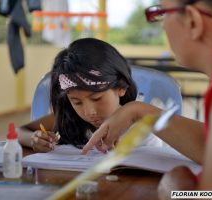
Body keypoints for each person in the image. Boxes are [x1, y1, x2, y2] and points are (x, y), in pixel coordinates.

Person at [82, 0, 212, 197]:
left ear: (193, 21)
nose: (163, 25)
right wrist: (139, 111)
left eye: (162, 13)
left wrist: (176, 188)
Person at [17, 38, 163, 153]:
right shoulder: (69, 118)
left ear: (121, 88)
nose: (89, 112)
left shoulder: (144, 126)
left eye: (97, 98)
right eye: (77, 102)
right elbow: (18, 132)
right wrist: (34, 139)